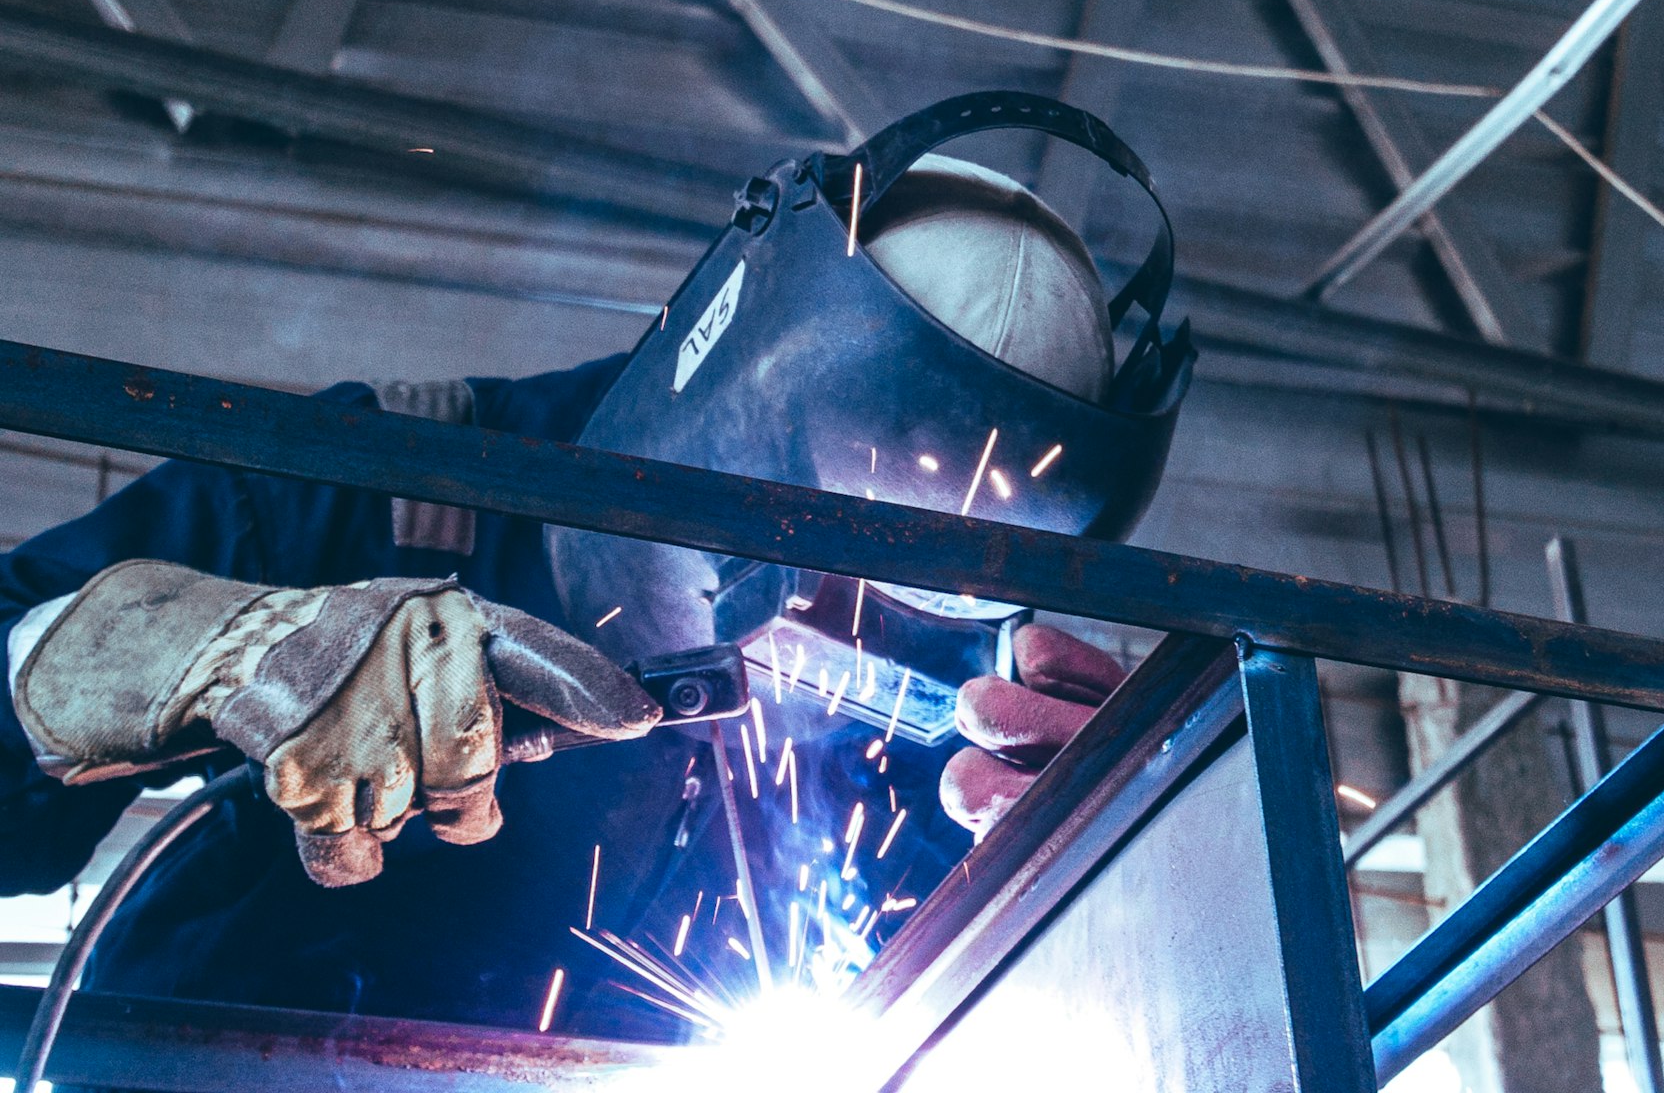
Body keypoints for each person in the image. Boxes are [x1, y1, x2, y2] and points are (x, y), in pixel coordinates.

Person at [0, 93, 1191, 1036]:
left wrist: (1109, 883)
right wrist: (146, 657)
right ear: (722, 399)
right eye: (823, 547)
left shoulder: (953, 727)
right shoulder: (379, 490)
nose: (845, 625)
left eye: (917, 585)